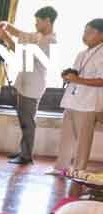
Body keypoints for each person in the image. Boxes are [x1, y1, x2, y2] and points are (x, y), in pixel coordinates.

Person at [0, 6, 58, 166]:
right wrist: (6, 25)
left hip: (32, 86)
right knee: (24, 119)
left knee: (27, 121)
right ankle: (24, 151)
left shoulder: (49, 42)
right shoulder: (39, 36)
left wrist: (6, 39)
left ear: (47, 21)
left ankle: (26, 156)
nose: (35, 25)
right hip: (25, 84)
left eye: (38, 22)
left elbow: (25, 56)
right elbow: (21, 34)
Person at [46, 18, 103, 175]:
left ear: (101, 35)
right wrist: (68, 76)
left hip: (88, 104)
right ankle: (60, 168)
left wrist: (77, 79)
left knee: (82, 142)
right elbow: (76, 75)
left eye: (89, 32)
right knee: (66, 137)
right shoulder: (81, 53)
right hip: (72, 100)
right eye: (84, 31)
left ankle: (79, 170)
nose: (84, 35)